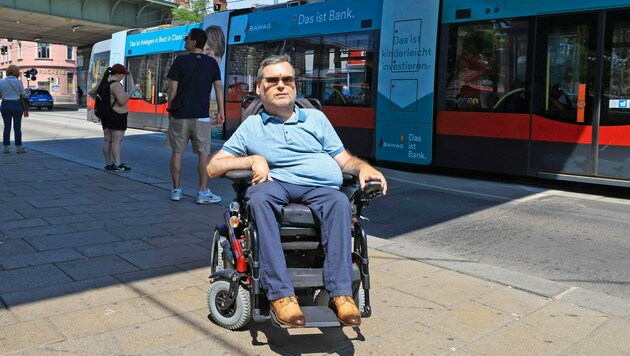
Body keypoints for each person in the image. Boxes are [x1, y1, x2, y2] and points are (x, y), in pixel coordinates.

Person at [206, 55, 387, 327]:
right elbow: (213, 167)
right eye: (273, 80)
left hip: (319, 187)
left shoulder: (316, 119)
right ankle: (281, 296)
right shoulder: (252, 126)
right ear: (259, 88)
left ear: (295, 86)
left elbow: (344, 160)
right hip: (275, 185)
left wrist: (363, 169)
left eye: (287, 79)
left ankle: (341, 294)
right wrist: (251, 160)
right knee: (258, 198)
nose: (281, 85)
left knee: (340, 201)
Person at [166, 28, 225, 204]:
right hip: (201, 116)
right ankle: (202, 192)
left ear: (193, 42)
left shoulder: (180, 61)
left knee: (177, 152)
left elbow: (173, 89)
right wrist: (221, 110)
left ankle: (176, 191)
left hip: (180, 115)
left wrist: (170, 109)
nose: (185, 41)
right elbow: (218, 87)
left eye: (187, 38)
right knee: (204, 154)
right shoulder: (211, 63)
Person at [88, 64, 132, 173]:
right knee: (116, 141)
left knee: (107, 140)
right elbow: (122, 101)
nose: (123, 77)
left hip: (105, 115)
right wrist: (131, 93)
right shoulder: (116, 85)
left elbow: (91, 93)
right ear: (117, 74)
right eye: (122, 75)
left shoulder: (104, 82)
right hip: (117, 114)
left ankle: (109, 164)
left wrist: (104, 102)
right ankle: (117, 165)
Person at [0, 64, 28, 154]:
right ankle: (19, 147)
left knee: (7, 127)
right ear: (16, 73)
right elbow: (23, 95)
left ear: (7, 72)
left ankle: (6, 147)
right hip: (16, 105)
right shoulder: (19, 82)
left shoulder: (1, 82)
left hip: (5, 105)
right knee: (17, 127)